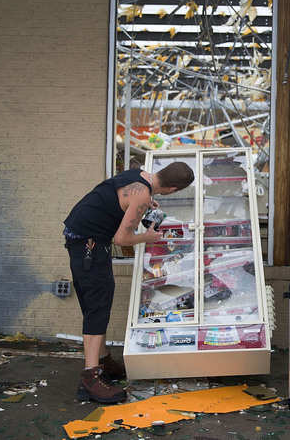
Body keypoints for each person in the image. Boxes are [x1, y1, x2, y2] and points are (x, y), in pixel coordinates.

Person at [63, 162, 194, 403]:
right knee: (97, 306)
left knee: (99, 301)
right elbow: (122, 238)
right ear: (173, 188)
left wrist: (143, 206)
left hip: (82, 238)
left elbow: (120, 200)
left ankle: (103, 362)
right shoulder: (142, 196)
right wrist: (149, 236)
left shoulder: (138, 176)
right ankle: (90, 380)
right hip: (89, 245)